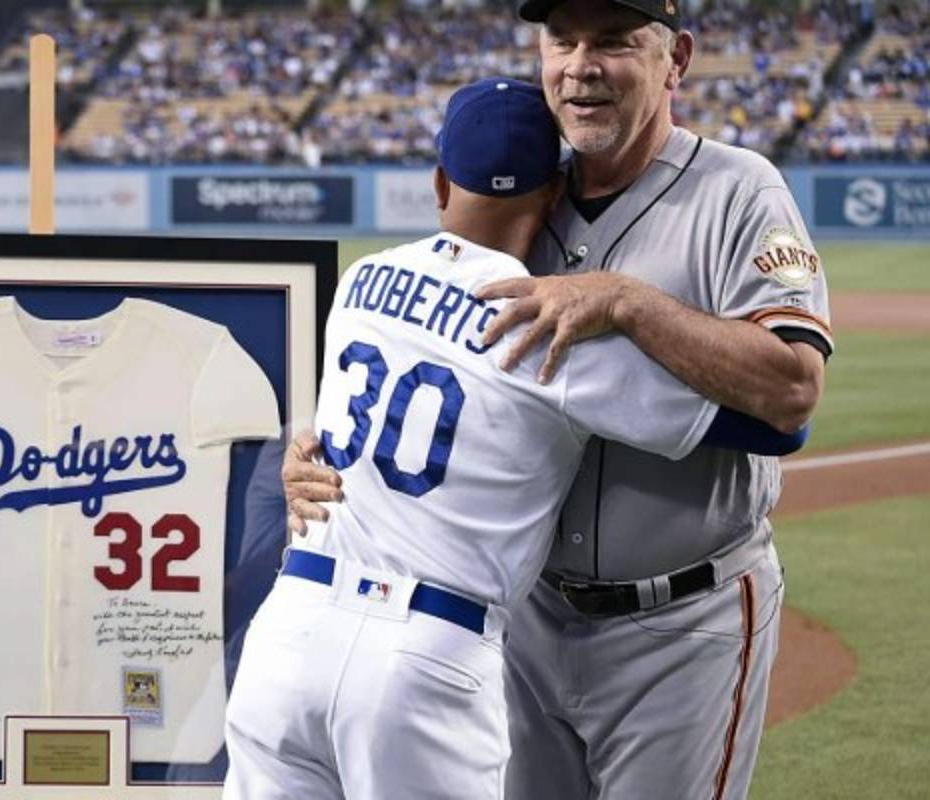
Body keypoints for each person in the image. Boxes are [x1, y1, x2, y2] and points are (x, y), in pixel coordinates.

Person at [282, 2, 832, 799]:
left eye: (612, 40)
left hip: (681, 623)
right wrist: (309, 457)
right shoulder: (517, 201)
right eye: (562, 40)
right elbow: (406, 365)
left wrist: (629, 301)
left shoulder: (740, 191)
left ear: (674, 58)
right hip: (523, 622)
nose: (581, 64)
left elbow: (792, 390)